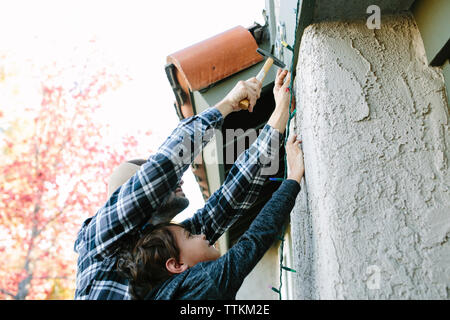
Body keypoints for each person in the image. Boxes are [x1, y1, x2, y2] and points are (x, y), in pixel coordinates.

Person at [74, 69, 292, 300]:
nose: (180, 179)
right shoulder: (98, 242)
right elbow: (163, 167)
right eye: (167, 183)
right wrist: (227, 103)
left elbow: (225, 205)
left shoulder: (160, 249)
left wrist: (279, 116)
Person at [120, 133, 304, 300]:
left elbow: (220, 206)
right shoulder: (204, 283)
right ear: (176, 265)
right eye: (190, 236)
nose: (202, 234)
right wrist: (293, 176)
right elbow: (254, 240)